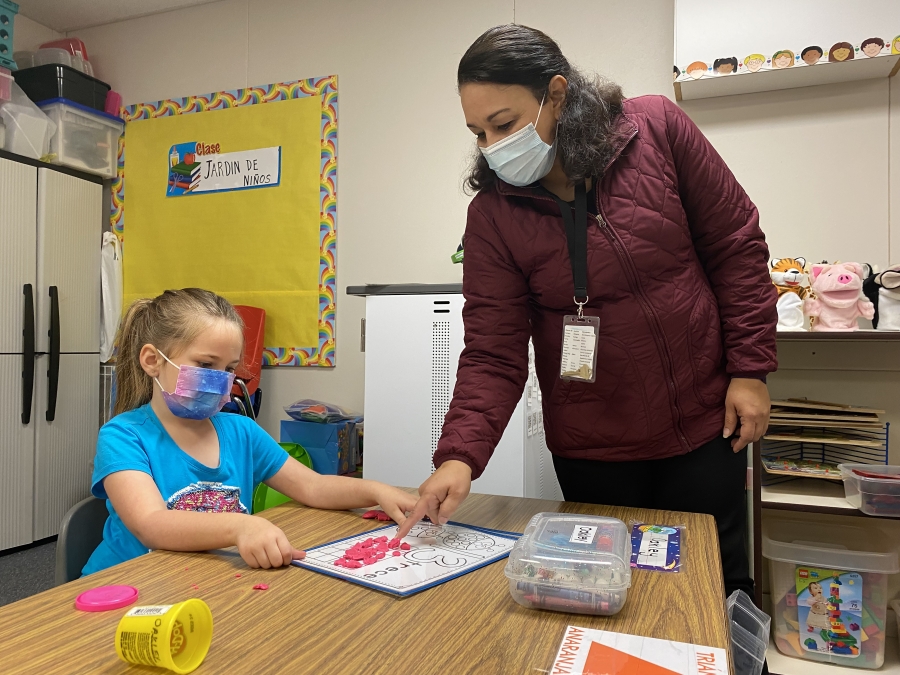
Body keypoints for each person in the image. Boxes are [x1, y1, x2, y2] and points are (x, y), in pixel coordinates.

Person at [399, 25, 777, 609]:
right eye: (478, 133)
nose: (493, 146)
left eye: (503, 124)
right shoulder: (493, 216)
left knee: (711, 586)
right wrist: (458, 455)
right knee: (606, 592)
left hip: (703, 419)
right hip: (592, 442)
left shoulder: (655, 129)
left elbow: (736, 247)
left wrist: (750, 370)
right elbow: (493, 354)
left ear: (556, 93)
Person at [83, 288, 416, 575]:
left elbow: (313, 487)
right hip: (126, 586)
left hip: (205, 581)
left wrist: (375, 490)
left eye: (229, 369)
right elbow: (151, 525)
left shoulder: (241, 431)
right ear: (153, 361)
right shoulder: (123, 436)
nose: (221, 378)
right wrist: (241, 526)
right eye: (205, 364)